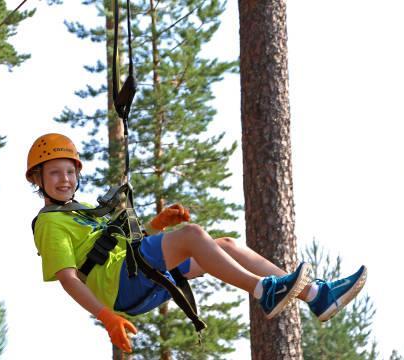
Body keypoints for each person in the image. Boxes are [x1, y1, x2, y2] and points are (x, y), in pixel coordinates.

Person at [28, 133, 367, 354]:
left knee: (227, 245)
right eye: (55, 173)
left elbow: (114, 247)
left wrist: (156, 226)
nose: (65, 180)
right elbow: (69, 278)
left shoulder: (83, 210)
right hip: (118, 286)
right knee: (192, 237)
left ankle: (317, 296)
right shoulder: (50, 223)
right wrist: (105, 316)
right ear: (38, 179)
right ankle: (265, 290)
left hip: (131, 275)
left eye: (70, 172)